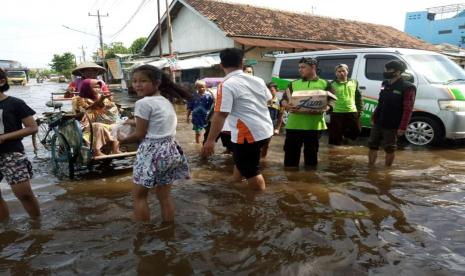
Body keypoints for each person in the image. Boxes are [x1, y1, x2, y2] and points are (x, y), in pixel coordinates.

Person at [117, 64, 191, 223]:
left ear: (156, 83)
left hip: (152, 152)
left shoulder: (143, 103)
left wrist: (120, 140)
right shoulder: (165, 100)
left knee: (139, 196)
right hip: (170, 151)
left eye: (143, 81)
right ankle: (168, 230)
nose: (137, 84)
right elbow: (157, 124)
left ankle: (142, 235)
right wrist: (133, 122)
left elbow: (140, 134)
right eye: (134, 81)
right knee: (164, 197)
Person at [202, 48, 273, 191]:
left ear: (221, 65)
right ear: (242, 63)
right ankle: (235, 184)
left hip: (248, 133)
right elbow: (269, 99)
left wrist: (210, 141)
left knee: (251, 170)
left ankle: (257, 201)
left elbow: (220, 114)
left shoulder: (226, 85)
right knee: (242, 162)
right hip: (265, 130)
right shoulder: (258, 80)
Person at [0, 68, 41, 220]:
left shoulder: (15, 103)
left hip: (11, 153)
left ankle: (37, 225)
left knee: (24, 194)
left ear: (1, 81)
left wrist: (4, 137)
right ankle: (6, 229)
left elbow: (33, 127)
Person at [280, 57, 333, 168]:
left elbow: (332, 101)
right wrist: (287, 106)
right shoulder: (293, 84)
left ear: (313, 67)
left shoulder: (325, 84)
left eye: (303, 67)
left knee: (311, 159)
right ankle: (291, 181)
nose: (300, 70)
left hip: (314, 126)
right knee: (290, 161)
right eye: (299, 67)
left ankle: (309, 181)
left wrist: (325, 108)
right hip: (294, 125)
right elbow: (283, 100)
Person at [368, 60, 416, 167]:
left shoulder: (408, 87)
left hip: (393, 123)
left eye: (389, 70)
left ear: (398, 72)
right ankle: (370, 167)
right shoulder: (384, 83)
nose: (386, 72)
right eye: (385, 69)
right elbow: (381, 101)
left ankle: (387, 170)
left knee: (389, 148)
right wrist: (374, 115)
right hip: (379, 120)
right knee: (372, 145)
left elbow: (408, 109)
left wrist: (402, 127)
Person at [73, 79, 121, 156]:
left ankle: (116, 149)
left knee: (117, 126)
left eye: (99, 87)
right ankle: (96, 151)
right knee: (98, 126)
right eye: (94, 87)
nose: (97, 89)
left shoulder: (102, 97)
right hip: (85, 124)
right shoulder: (78, 99)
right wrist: (100, 101)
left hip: (102, 120)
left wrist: (113, 105)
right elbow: (85, 109)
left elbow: (108, 109)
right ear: (87, 88)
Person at [328, 64, 363, 145]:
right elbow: (328, 98)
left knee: (357, 130)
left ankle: (345, 138)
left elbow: (358, 97)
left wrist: (360, 109)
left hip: (351, 111)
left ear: (347, 71)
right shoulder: (331, 84)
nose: (341, 73)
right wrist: (329, 110)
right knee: (335, 138)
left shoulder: (354, 82)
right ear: (335, 73)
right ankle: (335, 152)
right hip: (336, 112)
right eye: (339, 71)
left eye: (343, 71)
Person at [260, 82, 282, 158]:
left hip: (271, 125)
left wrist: (277, 128)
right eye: (267, 90)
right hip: (260, 124)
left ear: (277, 90)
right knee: (257, 144)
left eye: (271, 90)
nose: (269, 92)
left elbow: (280, 116)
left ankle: (263, 160)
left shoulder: (280, 102)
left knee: (266, 145)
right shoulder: (261, 100)